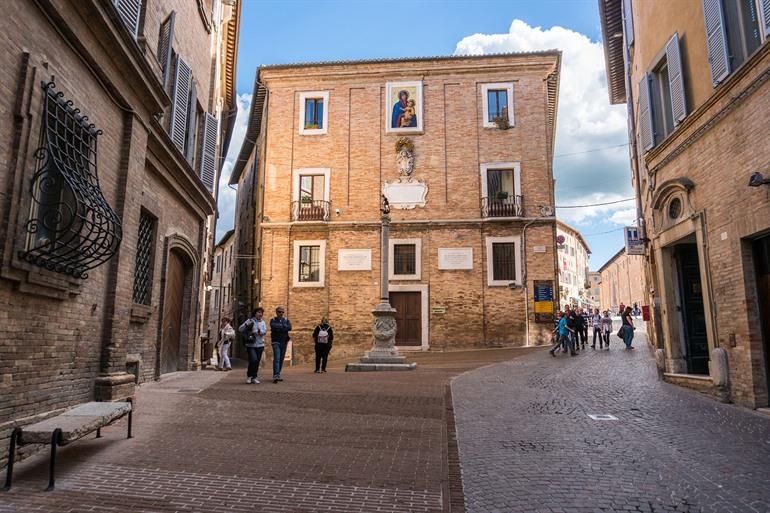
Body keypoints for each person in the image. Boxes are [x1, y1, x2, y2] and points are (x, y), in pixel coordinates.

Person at [239, 308, 266, 384]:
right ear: (255, 313)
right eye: (258, 312)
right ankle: (249, 376)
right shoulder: (250, 320)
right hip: (251, 344)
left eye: (261, 313)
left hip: (260, 344)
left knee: (257, 362)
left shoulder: (263, 322)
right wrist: (246, 325)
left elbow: (264, 332)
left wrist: (260, 332)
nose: (260, 314)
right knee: (253, 360)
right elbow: (240, 329)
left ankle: (254, 377)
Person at [269, 306, 292, 383]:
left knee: (281, 359)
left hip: (284, 341)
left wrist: (281, 327)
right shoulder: (273, 320)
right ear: (276, 312)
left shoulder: (286, 320)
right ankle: (276, 375)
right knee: (277, 358)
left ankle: (278, 374)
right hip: (276, 341)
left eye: (282, 312)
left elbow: (290, 327)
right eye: (279, 312)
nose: (281, 313)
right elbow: (274, 327)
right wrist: (283, 327)